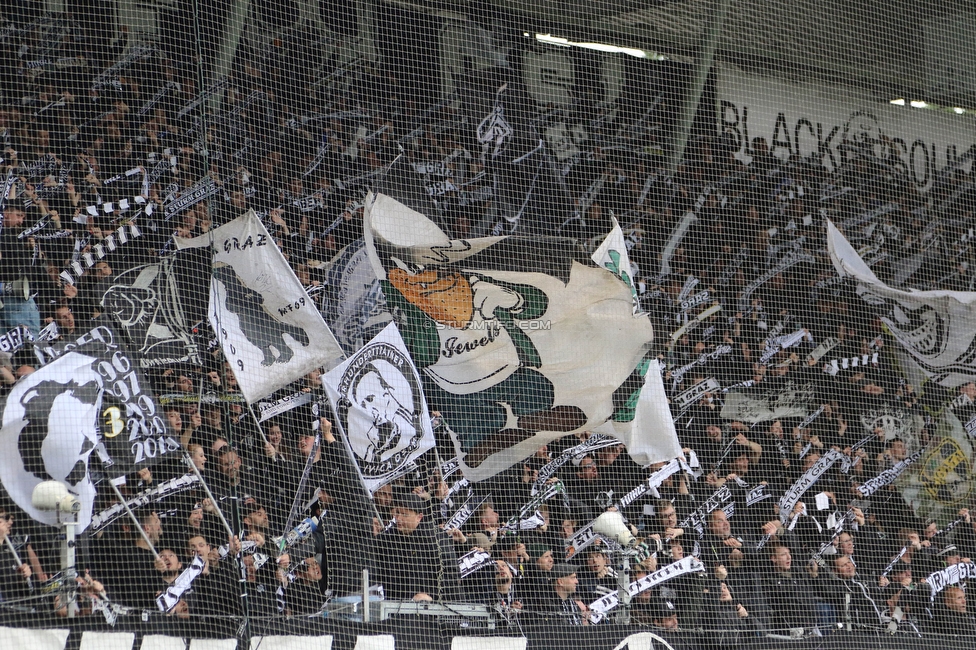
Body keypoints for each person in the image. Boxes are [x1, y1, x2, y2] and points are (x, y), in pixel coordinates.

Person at [374, 493, 460, 602]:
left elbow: (452, 571)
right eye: (397, 513)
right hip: (395, 606)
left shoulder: (435, 538)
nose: (398, 518)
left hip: (433, 606)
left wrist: (433, 596)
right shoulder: (386, 539)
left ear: (419, 517)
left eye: (405, 515)